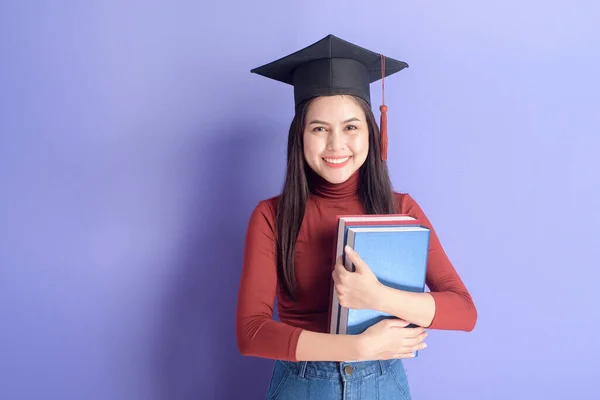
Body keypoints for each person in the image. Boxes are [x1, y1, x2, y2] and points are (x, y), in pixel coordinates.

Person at [235, 34, 477, 400]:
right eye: (319, 129)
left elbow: (463, 311)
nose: (336, 145)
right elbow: (250, 333)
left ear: (371, 132)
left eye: (350, 127)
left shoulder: (401, 210)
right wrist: (357, 349)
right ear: (299, 136)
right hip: (302, 385)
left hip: (383, 383)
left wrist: (377, 295)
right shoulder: (271, 216)